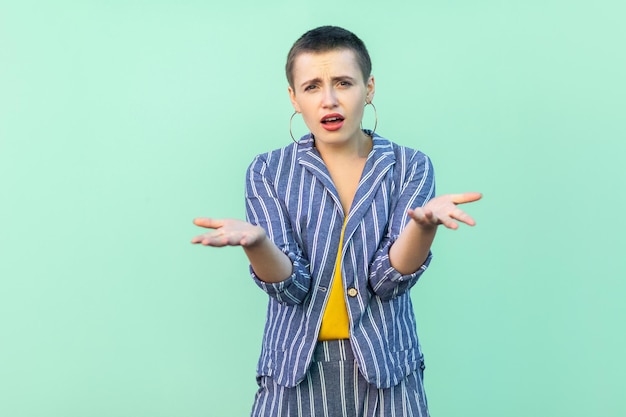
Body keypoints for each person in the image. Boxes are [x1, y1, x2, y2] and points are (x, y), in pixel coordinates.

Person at [191, 25, 481, 417]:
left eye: (343, 82)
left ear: (369, 88)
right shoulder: (267, 171)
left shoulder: (410, 165)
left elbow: (386, 279)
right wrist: (258, 242)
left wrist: (423, 226)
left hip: (387, 371)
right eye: (312, 86)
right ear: (294, 97)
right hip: (294, 371)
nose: (329, 100)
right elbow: (292, 288)